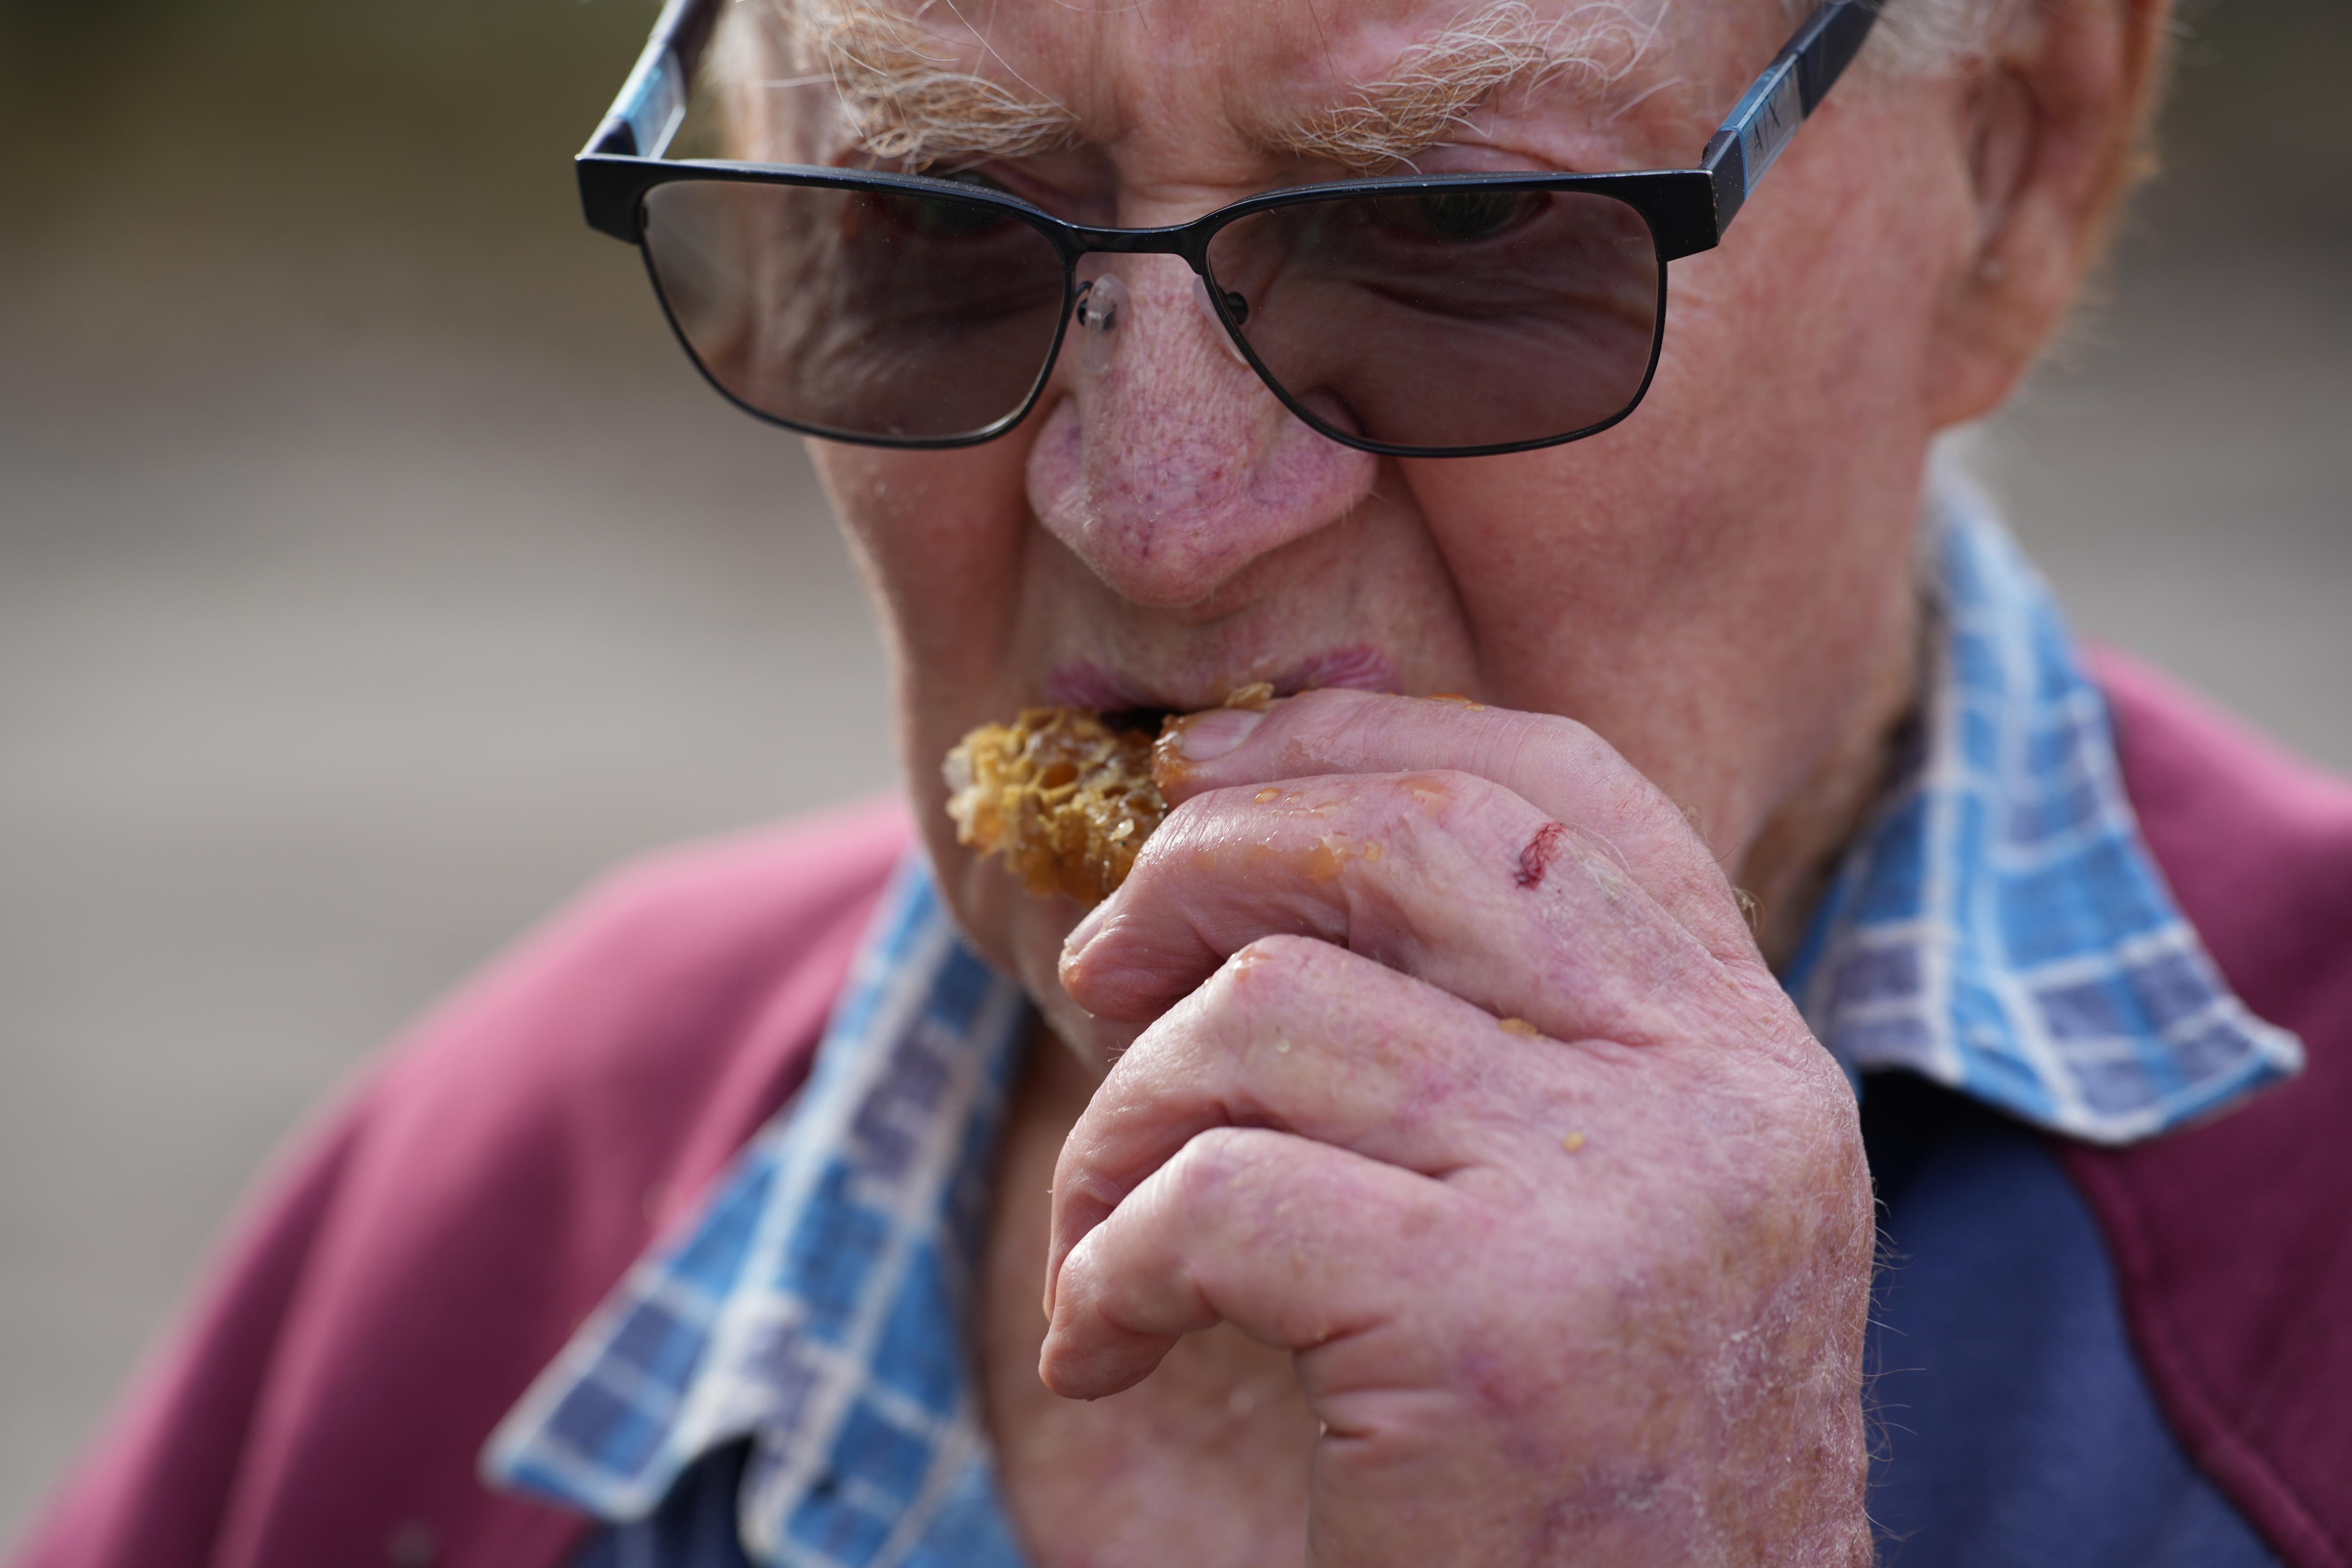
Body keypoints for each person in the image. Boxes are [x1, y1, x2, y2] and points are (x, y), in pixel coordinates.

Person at [13, 0, 2351, 1563]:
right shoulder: (499, 1191)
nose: (1147, 514)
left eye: (1453, 230)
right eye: (931, 227)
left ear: (2011, 179)